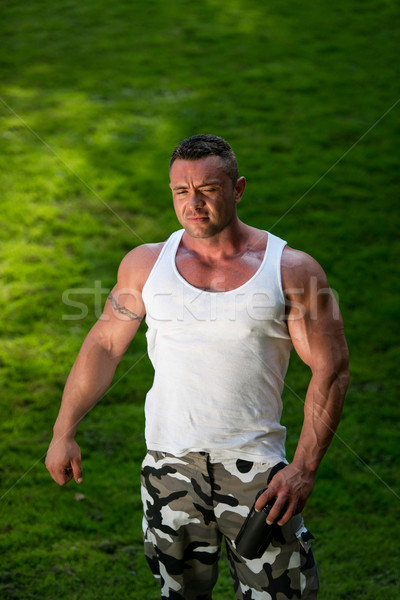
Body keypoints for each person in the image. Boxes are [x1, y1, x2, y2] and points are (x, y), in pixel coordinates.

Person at [46, 134, 349, 599]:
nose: (194, 203)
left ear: (238, 188)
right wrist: (63, 430)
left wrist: (304, 467)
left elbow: (331, 369)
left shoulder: (290, 270)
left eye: (207, 189)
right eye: (181, 191)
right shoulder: (146, 265)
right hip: (169, 468)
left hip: (259, 475)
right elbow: (105, 345)